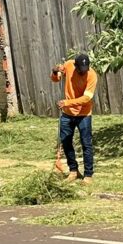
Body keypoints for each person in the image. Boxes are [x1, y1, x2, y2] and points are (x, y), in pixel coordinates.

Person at [51, 53, 98, 183]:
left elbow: (86, 98)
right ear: (75, 66)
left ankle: (88, 175)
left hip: (84, 114)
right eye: (80, 70)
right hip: (67, 114)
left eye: (85, 70)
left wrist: (66, 103)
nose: (83, 73)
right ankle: (73, 171)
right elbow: (56, 79)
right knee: (66, 142)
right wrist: (55, 72)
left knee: (86, 144)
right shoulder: (68, 65)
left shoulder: (92, 75)